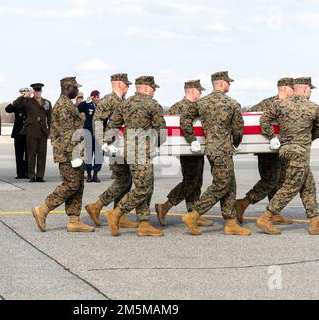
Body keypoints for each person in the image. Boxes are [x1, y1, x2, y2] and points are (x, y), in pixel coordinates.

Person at [257, 77, 319, 236]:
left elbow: (263, 120)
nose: (311, 93)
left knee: (308, 186)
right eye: (310, 90)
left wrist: (273, 137)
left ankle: (315, 222)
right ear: (306, 89)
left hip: (285, 150)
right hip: (300, 152)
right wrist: (305, 140)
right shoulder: (313, 108)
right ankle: (266, 217)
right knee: (291, 186)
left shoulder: (279, 104)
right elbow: (318, 130)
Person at [180, 71, 252, 236]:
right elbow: (238, 130)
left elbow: (185, 118)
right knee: (222, 185)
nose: (230, 85)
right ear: (221, 83)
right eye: (229, 82)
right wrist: (235, 144)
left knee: (230, 184)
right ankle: (194, 214)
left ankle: (231, 222)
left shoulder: (202, 102)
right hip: (224, 150)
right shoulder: (232, 103)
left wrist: (192, 139)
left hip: (211, 149)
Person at [105, 76, 167, 237]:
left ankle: (144, 223)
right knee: (143, 188)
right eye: (153, 88)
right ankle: (117, 213)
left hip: (128, 150)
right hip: (143, 152)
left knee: (146, 185)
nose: (154, 91)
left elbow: (113, 125)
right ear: (146, 88)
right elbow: (162, 131)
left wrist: (107, 142)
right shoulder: (153, 104)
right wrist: (156, 144)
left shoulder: (125, 104)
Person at [31, 77, 94, 233]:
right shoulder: (64, 106)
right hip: (68, 153)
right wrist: (75, 155)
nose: (77, 91)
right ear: (67, 88)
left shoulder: (69, 104)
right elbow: (67, 134)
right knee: (71, 184)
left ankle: (74, 220)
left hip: (74, 151)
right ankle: (43, 209)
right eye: (75, 88)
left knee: (78, 185)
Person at [235, 78, 295, 225]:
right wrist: (268, 136)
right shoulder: (267, 104)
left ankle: (274, 213)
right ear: (286, 89)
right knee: (269, 181)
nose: (294, 91)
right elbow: (250, 118)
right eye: (293, 88)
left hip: (280, 149)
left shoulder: (289, 105)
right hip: (267, 150)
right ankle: (243, 202)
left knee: (279, 181)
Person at [155, 80, 213, 228]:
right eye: (199, 91)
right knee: (190, 181)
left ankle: (194, 213)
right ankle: (165, 206)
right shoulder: (177, 107)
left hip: (198, 149)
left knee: (197, 181)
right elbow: (174, 129)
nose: (201, 94)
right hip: (186, 150)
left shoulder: (198, 106)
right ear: (192, 91)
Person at [85, 73, 137, 229]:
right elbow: (97, 120)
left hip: (122, 145)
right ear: (119, 84)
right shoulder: (109, 100)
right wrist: (104, 142)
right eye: (126, 84)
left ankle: (118, 214)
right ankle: (97, 206)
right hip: (113, 146)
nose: (128, 87)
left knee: (126, 180)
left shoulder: (122, 101)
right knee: (124, 180)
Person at [11, 84, 52, 183]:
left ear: (41, 92)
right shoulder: (27, 101)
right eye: (36, 91)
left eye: (39, 91)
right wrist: (23, 96)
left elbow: (50, 118)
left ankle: (40, 176)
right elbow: (15, 105)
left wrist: (51, 131)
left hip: (43, 131)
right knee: (31, 154)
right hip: (31, 130)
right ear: (33, 92)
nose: (37, 93)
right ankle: (32, 175)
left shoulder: (47, 103)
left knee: (42, 154)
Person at [78, 90, 103, 183]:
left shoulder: (101, 107)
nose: (97, 99)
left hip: (99, 134)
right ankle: (89, 174)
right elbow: (78, 108)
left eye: (98, 97)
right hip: (88, 133)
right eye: (96, 97)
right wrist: (86, 101)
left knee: (98, 155)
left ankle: (95, 174)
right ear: (92, 97)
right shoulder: (87, 105)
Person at [5, 88, 29, 180]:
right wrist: (19, 98)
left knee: (28, 154)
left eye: (25, 93)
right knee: (19, 154)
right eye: (22, 93)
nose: (24, 94)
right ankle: (20, 173)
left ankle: (27, 172)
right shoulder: (17, 102)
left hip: (28, 132)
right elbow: (8, 109)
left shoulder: (31, 102)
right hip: (18, 132)